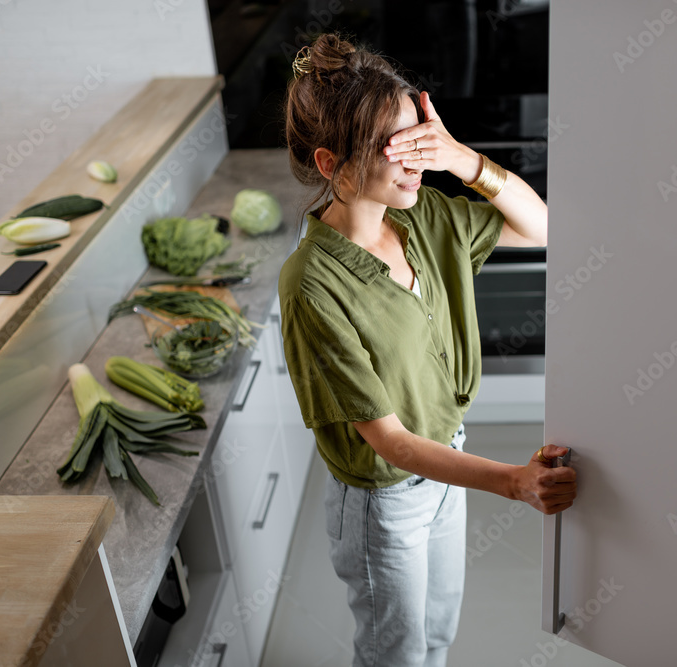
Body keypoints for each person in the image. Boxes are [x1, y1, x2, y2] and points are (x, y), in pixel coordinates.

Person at [277, 33, 577, 667]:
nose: (417, 163)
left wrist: (464, 160)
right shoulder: (312, 284)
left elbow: (543, 227)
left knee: (435, 638)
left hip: (447, 465)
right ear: (331, 165)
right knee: (397, 655)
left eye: (421, 142)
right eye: (397, 151)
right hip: (385, 499)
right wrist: (515, 483)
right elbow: (389, 441)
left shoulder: (424, 218)